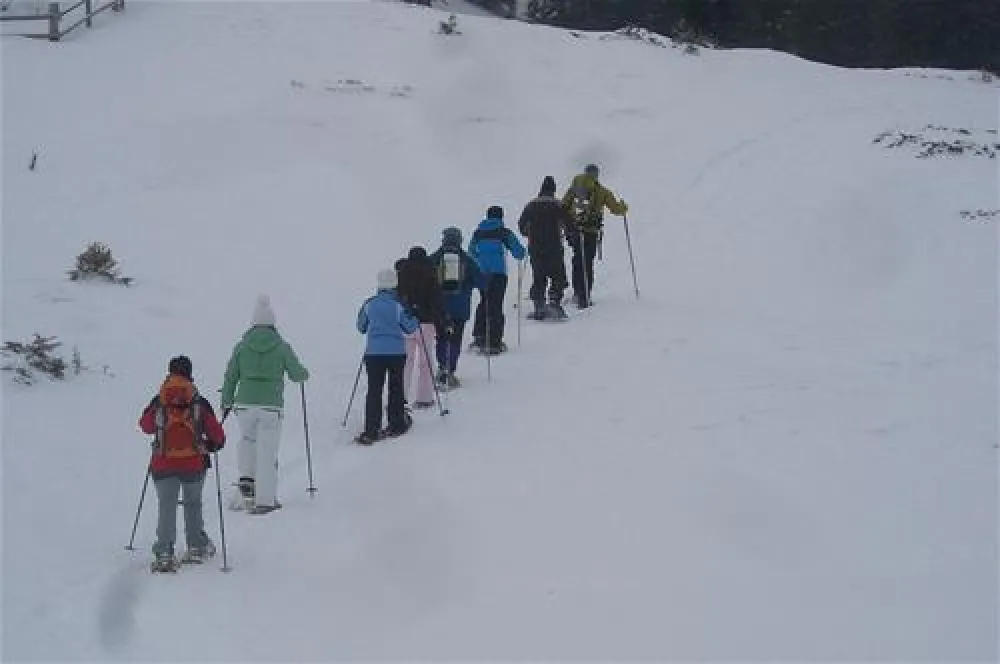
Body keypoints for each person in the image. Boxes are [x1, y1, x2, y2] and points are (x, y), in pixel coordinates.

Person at [220, 295, 309, 515]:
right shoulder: (281, 347)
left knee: (248, 440)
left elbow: (231, 375)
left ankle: (246, 480)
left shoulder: (242, 346)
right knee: (267, 451)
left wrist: (226, 401)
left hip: (245, 404)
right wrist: (303, 375)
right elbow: (298, 374)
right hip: (270, 406)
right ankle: (265, 500)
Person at [139, 356, 226, 572]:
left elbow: (146, 425)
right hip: (194, 463)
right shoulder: (198, 401)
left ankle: (164, 553)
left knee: (166, 505)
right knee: (192, 503)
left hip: (163, 462)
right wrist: (210, 445)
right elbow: (218, 436)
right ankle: (196, 546)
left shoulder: (159, 399)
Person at [355, 268, 419, 444]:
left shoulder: (369, 304)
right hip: (396, 352)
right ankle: (396, 423)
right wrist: (415, 315)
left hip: (374, 353)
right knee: (395, 388)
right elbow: (410, 327)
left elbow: (361, 327)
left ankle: (371, 429)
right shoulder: (398, 305)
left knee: (374, 389)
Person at [561, 163, 628, 308]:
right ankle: (586, 295)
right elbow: (616, 209)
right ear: (597, 175)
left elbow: (563, 205)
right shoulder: (603, 191)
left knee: (577, 260)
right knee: (587, 262)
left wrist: (564, 224)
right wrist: (624, 207)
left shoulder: (575, 187)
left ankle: (577, 293)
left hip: (574, 230)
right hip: (591, 231)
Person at [428, 226, 482, 387]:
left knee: (441, 337)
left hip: (439, 307)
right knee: (455, 339)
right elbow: (481, 281)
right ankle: (450, 370)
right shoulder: (467, 259)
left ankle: (442, 367)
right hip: (460, 307)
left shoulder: (434, 258)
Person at [517, 175, 577, 320]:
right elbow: (569, 224)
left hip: (536, 247)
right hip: (554, 245)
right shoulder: (558, 204)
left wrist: (529, 234)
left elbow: (521, 225)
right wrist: (572, 237)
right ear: (553, 189)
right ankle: (554, 303)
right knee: (557, 275)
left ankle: (539, 305)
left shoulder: (531, 205)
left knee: (539, 276)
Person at [469, 205, 526, 354]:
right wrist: (522, 252)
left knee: (484, 302)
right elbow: (518, 252)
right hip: (499, 274)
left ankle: (479, 335)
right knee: (496, 305)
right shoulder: (504, 233)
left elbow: (471, 252)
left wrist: (480, 263)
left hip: (482, 274)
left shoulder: (478, 233)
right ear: (501, 217)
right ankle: (494, 341)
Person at [395, 246, 445, 409]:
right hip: (426, 322)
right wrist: (440, 322)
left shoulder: (402, 273)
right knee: (425, 361)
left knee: (406, 361)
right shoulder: (431, 272)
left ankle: (400, 397)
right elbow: (436, 301)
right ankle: (424, 397)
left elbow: (397, 298)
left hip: (406, 323)